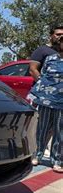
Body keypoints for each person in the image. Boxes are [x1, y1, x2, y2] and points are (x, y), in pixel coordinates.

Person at [29, 34, 63, 172]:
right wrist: (37, 95)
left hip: (62, 103)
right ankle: (37, 155)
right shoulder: (50, 59)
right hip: (46, 100)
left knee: (60, 132)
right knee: (42, 129)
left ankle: (57, 160)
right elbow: (42, 77)